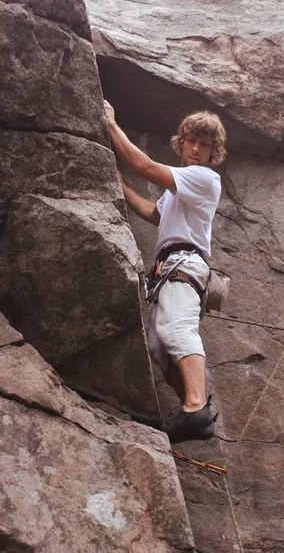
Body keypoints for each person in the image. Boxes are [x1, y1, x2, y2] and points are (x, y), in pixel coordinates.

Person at [104, 100, 226, 442]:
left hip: (185, 264)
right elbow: (155, 214)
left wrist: (111, 124)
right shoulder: (180, 189)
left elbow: (140, 163)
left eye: (206, 144)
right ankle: (191, 408)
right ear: (182, 143)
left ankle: (197, 407)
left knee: (176, 328)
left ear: (213, 152)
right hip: (169, 269)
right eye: (193, 141)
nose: (198, 149)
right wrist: (122, 187)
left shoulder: (203, 178)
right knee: (159, 344)